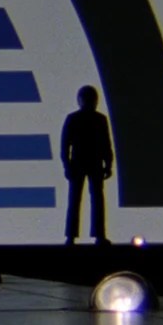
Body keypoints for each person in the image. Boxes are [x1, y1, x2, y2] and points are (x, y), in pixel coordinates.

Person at [60, 85, 113, 245]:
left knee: (88, 199)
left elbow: (106, 144)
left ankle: (79, 236)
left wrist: (108, 163)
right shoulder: (92, 119)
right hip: (84, 163)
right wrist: (108, 164)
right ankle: (83, 235)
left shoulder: (87, 119)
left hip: (86, 163)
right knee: (85, 199)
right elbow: (65, 146)